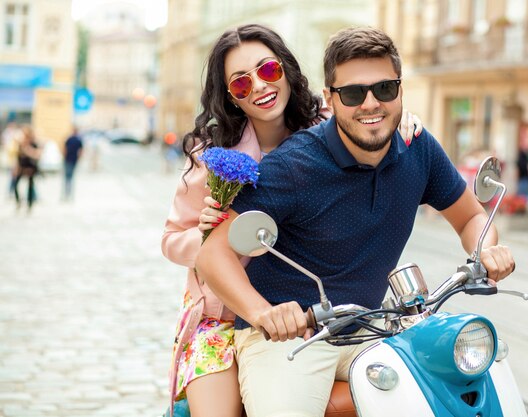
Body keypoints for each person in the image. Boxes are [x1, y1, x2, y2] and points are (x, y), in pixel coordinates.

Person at [195, 27, 515, 417]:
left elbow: (471, 217)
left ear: (400, 90)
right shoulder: (293, 165)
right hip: (291, 337)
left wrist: (487, 247)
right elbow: (213, 255)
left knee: (448, 391)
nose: (370, 104)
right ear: (330, 98)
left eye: (384, 89)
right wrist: (265, 313)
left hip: (372, 323)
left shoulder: (419, 149)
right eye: (352, 93)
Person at [161, 24, 422, 417]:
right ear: (231, 97)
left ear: (284, 68)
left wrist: (399, 122)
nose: (260, 88)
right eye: (241, 84)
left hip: (305, 313)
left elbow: (371, 111)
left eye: (267, 71)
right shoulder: (213, 157)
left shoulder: (326, 124)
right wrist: (204, 234)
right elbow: (170, 240)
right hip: (221, 316)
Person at [14, 125, 41, 212]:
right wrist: (16, 168)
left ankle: (29, 205)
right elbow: (18, 157)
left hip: (30, 168)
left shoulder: (34, 144)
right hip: (22, 167)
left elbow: (37, 155)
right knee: (16, 185)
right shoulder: (21, 143)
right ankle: (19, 202)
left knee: (30, 187)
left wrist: (28, 150)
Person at [62, 126, 84, 200]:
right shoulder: (72, 139)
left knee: (68, 177)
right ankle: (67, 194)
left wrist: (78, 158)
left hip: (71, 160)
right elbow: (65, 148)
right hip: (70, 159)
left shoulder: (75, 139)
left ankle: (68, 194)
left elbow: (81, 151)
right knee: (69, 177)